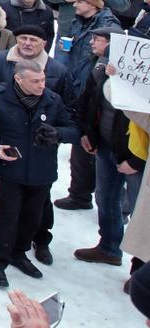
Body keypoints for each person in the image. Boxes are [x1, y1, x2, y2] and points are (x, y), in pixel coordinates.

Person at [0, 63, 78, 287]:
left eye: (43, 80)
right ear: (19, 79)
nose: (42, 85)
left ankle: (19, 253)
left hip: (42, 170)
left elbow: (73, 129)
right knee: (8, 215)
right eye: (35, 81)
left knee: (33, 216)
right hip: (12, 168)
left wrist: (57, 133)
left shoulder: (53, 100)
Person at [74, 23, 146, 266]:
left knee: (140, 213)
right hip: (105, 147)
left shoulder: (144, 82)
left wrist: (136, 160)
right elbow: (90, 102)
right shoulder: (100, 70)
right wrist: (89, 134)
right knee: (105, 199)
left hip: (135, 157)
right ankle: (109, 247)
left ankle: (140, 268)